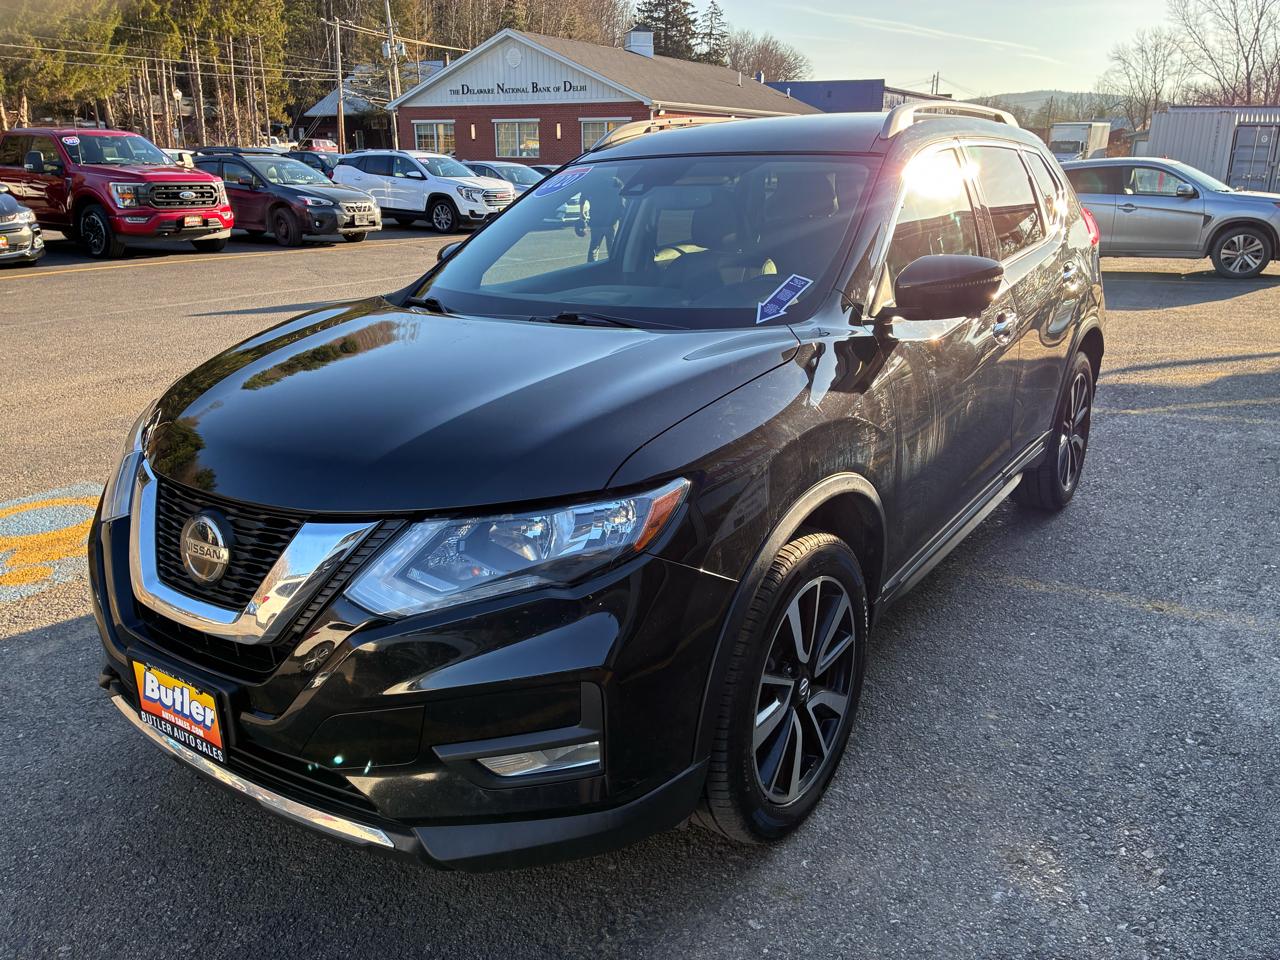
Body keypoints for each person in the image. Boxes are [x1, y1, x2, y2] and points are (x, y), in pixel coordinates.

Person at [576, 175, 624, 262]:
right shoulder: (616, 184)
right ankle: (614, 267)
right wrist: (621, 217)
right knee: (612, 248)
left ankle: (591, 269)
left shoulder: (593, 185)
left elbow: (582, 197)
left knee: (594, 248)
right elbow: (622, 204)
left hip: (596, 222)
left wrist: (581, 213)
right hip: (611, 222)